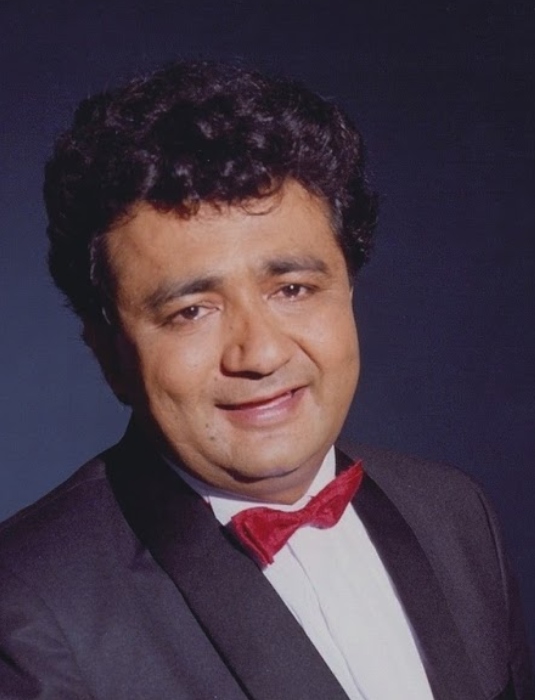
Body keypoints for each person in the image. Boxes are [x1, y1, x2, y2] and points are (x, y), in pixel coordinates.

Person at [0, 60, 532, 700]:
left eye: (293, 289)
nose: (261, 353)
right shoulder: (29, 610)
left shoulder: (454, 513)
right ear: (107, 353)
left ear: (348, 291)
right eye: (192, 311)